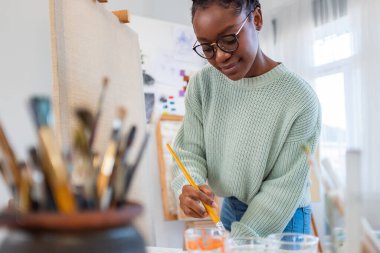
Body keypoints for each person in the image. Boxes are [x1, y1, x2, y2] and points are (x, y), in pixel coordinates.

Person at [171, 0, 321, 238]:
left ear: (257, 19)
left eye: (229, 40)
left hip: (284, 216)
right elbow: (190, 151)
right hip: (232, 206)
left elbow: (282, 190)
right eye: (207, 48)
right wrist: (188, 185)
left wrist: (239, 241)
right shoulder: (202, 85)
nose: (220, 56)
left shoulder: (299, 98)